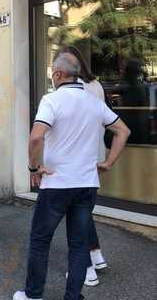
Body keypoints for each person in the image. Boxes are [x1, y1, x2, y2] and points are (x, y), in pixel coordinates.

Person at [13, 53, 130, 300]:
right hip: (86, 184)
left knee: (40, 240)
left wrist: (34, 168)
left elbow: (36, 136)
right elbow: (123, 131)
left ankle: (33, 295)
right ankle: (73, 296)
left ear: (57, 74)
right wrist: (108, 162)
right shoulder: (94, 102)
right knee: (78, 244)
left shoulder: (51, 100)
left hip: (57, 183)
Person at [62, 45, 107, 286]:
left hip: (77, 157)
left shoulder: (74, 88)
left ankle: (86, 268)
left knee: (78, 210)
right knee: (84, 207)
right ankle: (96, 253)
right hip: (94, 151)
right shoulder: (96, 85)